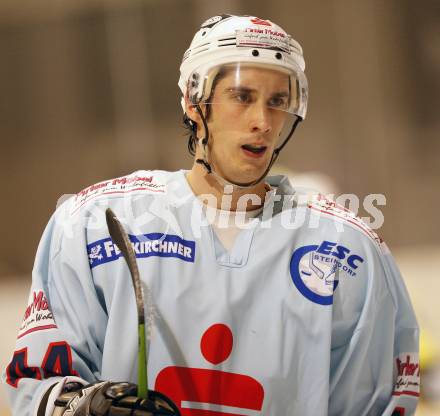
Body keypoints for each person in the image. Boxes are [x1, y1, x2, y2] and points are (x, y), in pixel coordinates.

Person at [2, 14, 420, 416]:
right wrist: (86, 405)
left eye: (278, 101)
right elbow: (38, 381)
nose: (262, 122)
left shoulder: (348, 249)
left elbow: (377, 402)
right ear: (193, 101)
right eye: (242, 96)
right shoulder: (95, 224)